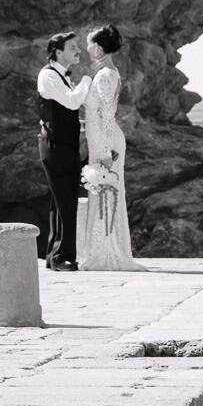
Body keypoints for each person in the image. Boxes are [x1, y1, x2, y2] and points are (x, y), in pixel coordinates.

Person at [79, 24, 142, 271]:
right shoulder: (105, 72)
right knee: (103, 193)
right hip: (98, 139)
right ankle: (101, 249)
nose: (87, 47)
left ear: (99, 46)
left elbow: (106, 115)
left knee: (108, 193)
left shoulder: (106, 75)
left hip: (106, 142)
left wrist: (106, 153)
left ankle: (107, 252)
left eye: (90, 43)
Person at [37, 31, 90, 269]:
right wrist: (88, 81)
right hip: (55, 146)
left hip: (65, 146)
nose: (78, 50)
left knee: (60, 201)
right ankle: (62, 257)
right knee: (66, 201)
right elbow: (71, 102)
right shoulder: (48, 75)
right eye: (72, 47)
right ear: (58, 52)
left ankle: (54, 256)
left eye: (77, 46)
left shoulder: (63, 76)